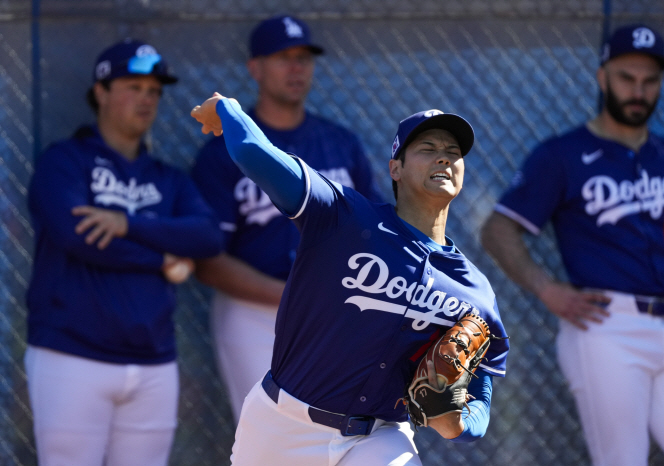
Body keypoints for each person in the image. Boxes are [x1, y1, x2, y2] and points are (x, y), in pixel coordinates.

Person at [191, 94, 509, 465]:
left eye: (453, 152)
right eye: (427, 148)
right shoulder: (344, 216)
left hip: (379, 438)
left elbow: (482, 385)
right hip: (281, 425)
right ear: (395, 169)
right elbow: (252, 153)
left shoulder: (474, 289)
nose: (444, 157)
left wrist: (459, 424)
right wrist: (227, 108)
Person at [481, 24, 664, 466]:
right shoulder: (562, 155)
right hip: (606, 329)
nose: (638, 90)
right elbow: (497, 229)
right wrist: (547, 288)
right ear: (602, 77)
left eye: (649, 80)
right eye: (626, 77)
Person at [24, 39, 223, 466]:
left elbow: (208, 237)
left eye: (154, 91)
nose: (146, 99)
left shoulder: (168, 179)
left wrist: (129, 223)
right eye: (133, 86)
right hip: (71, 354)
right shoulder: (64, 162)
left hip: (154, 360)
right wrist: (161, 259)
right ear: (101, 91)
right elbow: (78, 236)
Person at [190, 14, 382, 424]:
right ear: (254, 68)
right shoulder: (222, 152)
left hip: (337, 310)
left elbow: (377, 230)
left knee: (343, 432)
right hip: (254, 314)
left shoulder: (340, 144)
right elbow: (208, 260)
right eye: (283, 57)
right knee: (271, 436)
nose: (296, 68)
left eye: (304, 58)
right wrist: (290, 296)